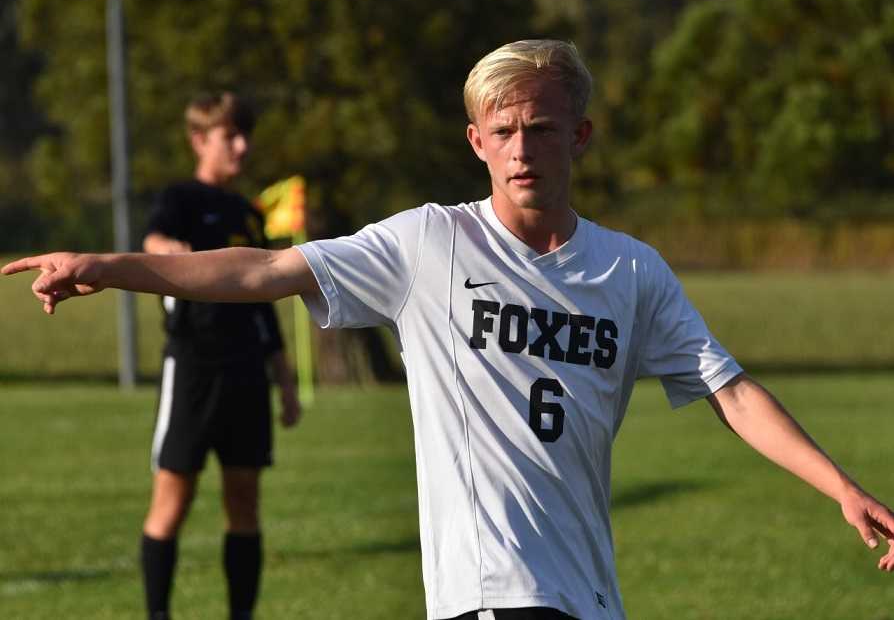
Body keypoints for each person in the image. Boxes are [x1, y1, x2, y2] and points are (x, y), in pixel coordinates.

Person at [4, 40, 892, 620]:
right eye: (502, 130)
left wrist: (839, 486)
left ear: (579, 136)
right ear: (475, 141)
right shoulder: (430, 242)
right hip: (487, 596)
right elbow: (263, 271)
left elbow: (729, 390)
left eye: (540, 128)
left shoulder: (632, 270)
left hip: (592, 599)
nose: (521, 148)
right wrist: (106, 265)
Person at [139, 92, 301, 620]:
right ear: (198, 140)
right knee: (173, 501)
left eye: (244, 135)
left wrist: (286, 380)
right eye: (229, 135)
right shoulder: (182, 198)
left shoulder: (248, 214)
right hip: (193, 368)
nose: (242, 145)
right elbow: (155, 237)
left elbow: (265, 304)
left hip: (247, 373)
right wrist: (168, 251)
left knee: (244, 501)